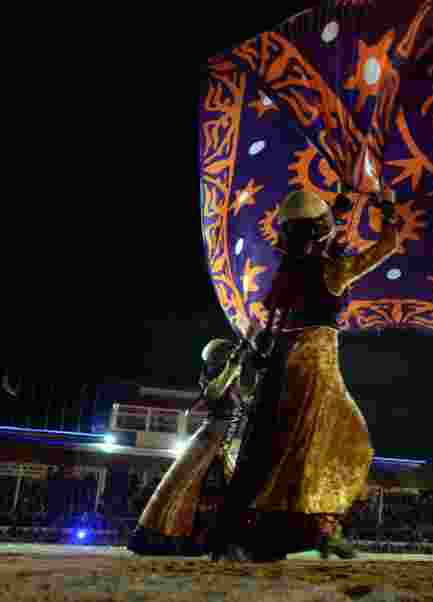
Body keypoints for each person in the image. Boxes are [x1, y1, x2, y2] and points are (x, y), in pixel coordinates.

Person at [212, 189, 400, 562]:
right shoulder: (333, 271)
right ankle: (323, 529)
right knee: (341, 440)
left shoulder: (286, 272)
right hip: (316, 364)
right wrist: (387, 209)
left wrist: (341, 205)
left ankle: (253, 534)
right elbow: (388, 244)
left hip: (283, 361)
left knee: (274, 446)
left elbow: (319, 241)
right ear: (321, 231)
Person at [128, 338, 256, 555]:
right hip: (209, 439)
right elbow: (214, 393)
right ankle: (174, 537)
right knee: (189, 486)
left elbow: (249, 396)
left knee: (218, 492)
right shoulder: (213, 382)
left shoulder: (234, 385)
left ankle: (217, 539)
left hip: (223, 445)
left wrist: (255, 360)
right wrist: (234, 363)